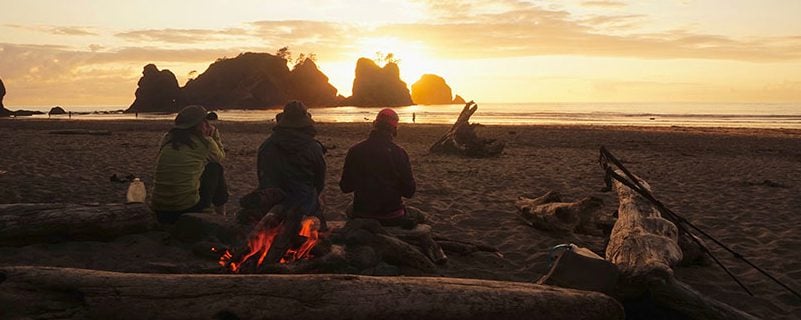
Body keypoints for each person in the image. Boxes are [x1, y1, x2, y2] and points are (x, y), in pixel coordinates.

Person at [255, 101, 326, 260]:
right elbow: (320, 181)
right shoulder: (313, 147)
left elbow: (262, 177)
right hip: (304, 205)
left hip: (272, 206)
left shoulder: (267, 146)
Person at [340, 108, 420, 228]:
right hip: (392, 215)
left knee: (348, 209)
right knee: (419, 215)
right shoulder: (399, 153)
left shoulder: (355, 150)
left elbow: (345, 187)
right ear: (394, 129)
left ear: (375, 125)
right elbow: (409, 192)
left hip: (363, 213)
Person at [151, 105, 228, 224]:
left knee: (197, 170)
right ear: (198, 125)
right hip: (186, 208)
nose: (208, 125)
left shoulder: (168, 138)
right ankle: (221, 214)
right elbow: (220, 157)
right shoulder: (205, 142)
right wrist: (214, 137)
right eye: (205, 121)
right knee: (215, 168)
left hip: (159, 209)